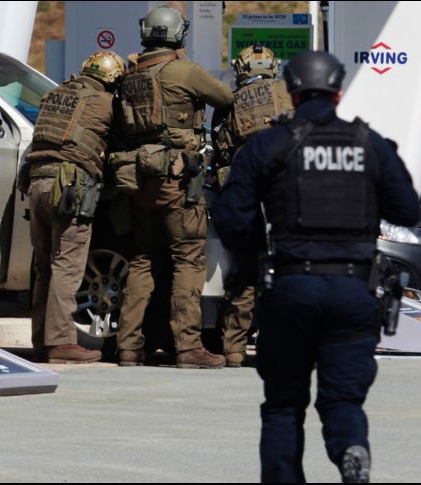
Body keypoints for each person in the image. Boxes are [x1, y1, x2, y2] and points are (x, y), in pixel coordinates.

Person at [212, 51, 421, 482]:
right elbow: (408, 211)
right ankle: (350, 448)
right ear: (339, 92)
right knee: (343, 400)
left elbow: (231, 217)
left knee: (284, 405)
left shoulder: (269, 144)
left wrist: (247, 263)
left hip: (292, 288)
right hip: (354, 290)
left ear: (290, 92)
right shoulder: (368, 144)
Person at [114, 5, 233, 368]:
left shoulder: (130, 72)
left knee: (142, 260)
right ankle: (188, 347)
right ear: (179, 35)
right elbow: (225, 99)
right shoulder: (184, 70)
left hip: (138, 179)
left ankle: (129, 347)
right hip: (177, 179)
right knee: (187, 261)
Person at [20, 50, 125, 364]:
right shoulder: (106, 103)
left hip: (37, 181)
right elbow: (120, 140)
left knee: (43, 268)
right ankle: (62, 343)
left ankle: (41, 341)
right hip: (69, 187)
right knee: (67, 267)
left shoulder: (54, 95)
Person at [211, 45, 293, 368]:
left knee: (244, 269)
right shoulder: (289, 91)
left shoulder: (230, 103)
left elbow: (220, 150)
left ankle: (233, 348)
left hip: (243, 185)